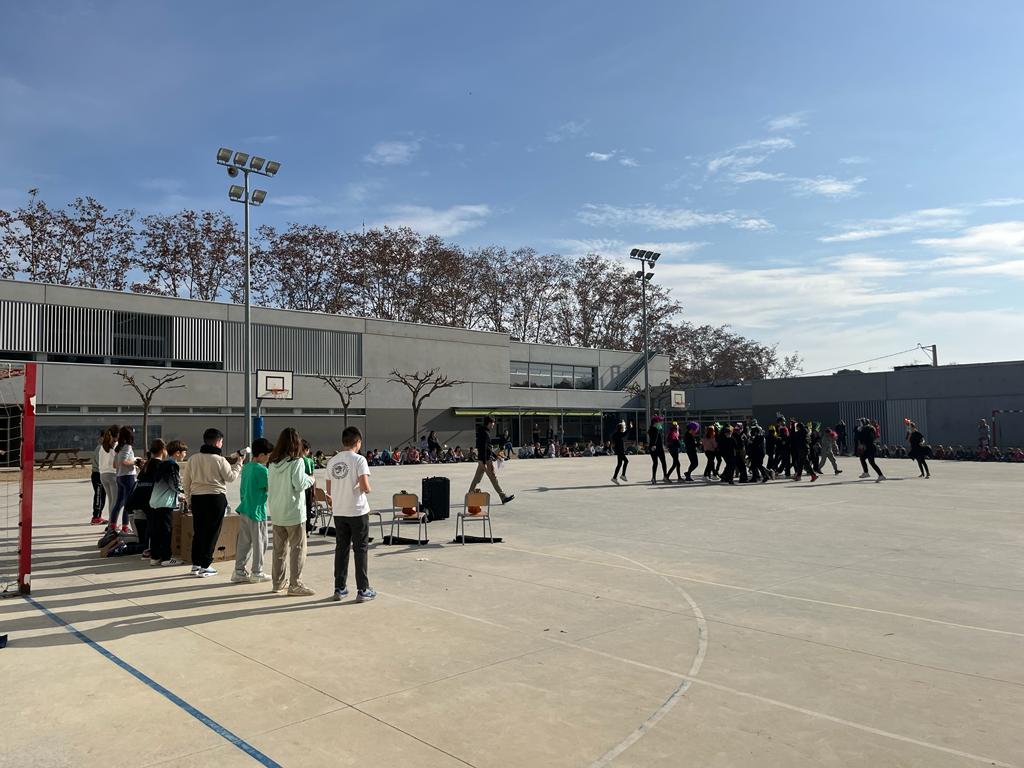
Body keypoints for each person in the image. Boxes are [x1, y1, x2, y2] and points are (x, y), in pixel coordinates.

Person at [183, 427, 243, 578]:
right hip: (215, 498)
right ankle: (206, 565)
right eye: (221, 441)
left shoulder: (193, 459)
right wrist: (239, 463)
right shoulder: (220, 460)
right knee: (212, 533)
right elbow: (230, 477)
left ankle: (196, 564)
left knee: (199, 531)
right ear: (217, 442)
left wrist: (189, 499)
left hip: (197, 498)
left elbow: (186, 482)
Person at [326, 426, 377, 603]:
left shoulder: (332, 462)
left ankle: (339, 588)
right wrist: (367, 488)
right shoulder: (359, 460)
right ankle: (363, 589)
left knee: (341, 549)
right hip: (357, 510)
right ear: (358, 442)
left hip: (339, 511)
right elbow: (365, 486)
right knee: (360, 549)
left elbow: (329, 490)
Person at [268, 427, 317, 596]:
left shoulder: (272, 463)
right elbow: (298, 484)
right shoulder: (297, 462)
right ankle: (295, 584)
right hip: (294, 512)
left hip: (277, 511)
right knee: (297, 549)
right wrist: (310, 480)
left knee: (279, 550)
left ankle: (278, 583)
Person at [232, 437, 273, 584]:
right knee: (261, 542)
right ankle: (257, 572)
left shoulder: (247, 467)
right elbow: (270, 488)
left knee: (244, 543)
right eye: (268, 456)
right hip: (257, 511)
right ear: (261, 455)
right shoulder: (262, 470)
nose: (268, 459)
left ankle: (239, 571)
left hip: (245, 508)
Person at [148, 440, 187, 567]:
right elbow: (175, 484)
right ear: (177, 453)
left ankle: (155, 557)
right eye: (184, 452)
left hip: (155, 501)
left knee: (156, 530)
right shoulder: (172, 465)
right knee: (166, 531)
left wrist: (177, 496)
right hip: (164, 503)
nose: (185, 455)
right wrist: (186, 492)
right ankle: (166, 558)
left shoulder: (162, 464)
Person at [469, 416, 514, 504]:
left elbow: (487, 448)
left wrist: (495, 456)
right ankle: (503, 496)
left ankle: (470, 495)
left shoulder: (483, 432)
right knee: (493, 478)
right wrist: (484, 462)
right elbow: (483, 448)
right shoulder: (485, 433)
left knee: (477, 479)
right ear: (489, 423)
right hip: (486, 460)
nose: (494, 424)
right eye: (493, 422)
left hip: (483, 460)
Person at [109, 426, 138, 534]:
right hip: (128, 477)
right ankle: (125, 527)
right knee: (128, 503)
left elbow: (114, 464)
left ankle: (112, 526)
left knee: (118, 502)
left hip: (119, 477)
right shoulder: (128, 447)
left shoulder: (118, 448)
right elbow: (123, 462)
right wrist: (135, 461)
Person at [89, 429, 108, 525]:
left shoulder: (103, 448)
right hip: (98, 474)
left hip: (101, 474)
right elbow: (101, 463)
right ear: (102, 437)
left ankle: (98, 516)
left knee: (102, 496)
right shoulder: (101, 448)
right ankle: (96, 517)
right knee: (99, 495)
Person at [647, 416, 669, 484]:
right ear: (655, 422)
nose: (661, 423)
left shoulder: (650, 429)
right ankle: (665, 477)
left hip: (652, 447)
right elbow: (655, 438)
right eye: (660, 422)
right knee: (663, 462)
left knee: (655, 463)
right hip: (657, 447)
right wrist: (654, 445)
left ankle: (653, 478)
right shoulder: (656, 430)